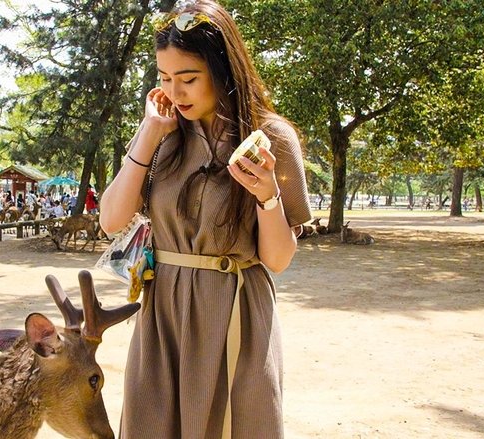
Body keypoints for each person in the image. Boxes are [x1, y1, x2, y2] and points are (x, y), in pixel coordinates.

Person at [99, 2, 311, 438]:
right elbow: (111, 219)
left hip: (233, 309)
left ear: (223, 69)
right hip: (162, 314)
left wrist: (266, 193)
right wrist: (148, 132)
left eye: (189, 78)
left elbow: (278, 258)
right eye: (164, 79)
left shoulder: (271, 139)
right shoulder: (165, 132)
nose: (175, 93)